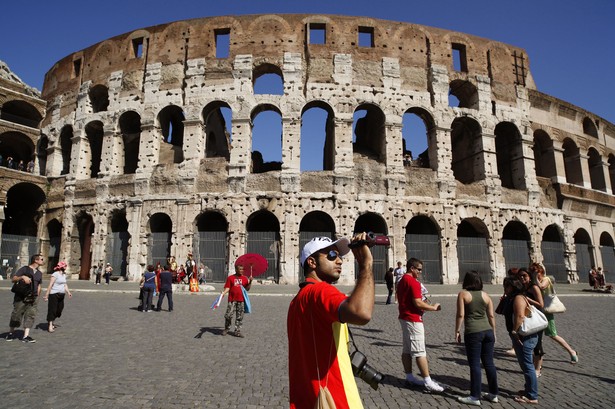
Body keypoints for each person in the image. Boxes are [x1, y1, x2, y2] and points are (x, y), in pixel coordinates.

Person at [287, 233, 374, 409]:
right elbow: (361, 312)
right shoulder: (320, 292)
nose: (340, 261)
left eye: (340, 256)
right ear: (311, 262)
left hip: (308, 398)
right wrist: (366, 266)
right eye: (332, 256)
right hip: (335, 398)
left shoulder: (297, 300)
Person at [398, 257, 444, 392]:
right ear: (411, 268)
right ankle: (428, 381)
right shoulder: (413, 282)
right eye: (418, 270)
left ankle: (409, 376)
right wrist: (433, 307)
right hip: (413, 319)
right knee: (420, 351)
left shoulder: (402, 280)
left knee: (406, 350)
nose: (420, 272)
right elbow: (417, 302)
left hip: (404, 317)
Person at [455, 271, 499, 405]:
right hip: (488, 331)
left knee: (474, 364)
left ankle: (475, 396)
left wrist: (457, 330)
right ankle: (493, 394)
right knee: (489, 363)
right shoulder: (486, 295)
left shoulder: (463, 294)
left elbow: (460, 314)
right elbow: (491, 316)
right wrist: (494, 332)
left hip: (473, 332)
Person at [532, 262, 578, 371]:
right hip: (538, 311)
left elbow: (541, 286)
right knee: (536, 337)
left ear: (541, 271)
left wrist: (534, 278)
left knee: (552, 334)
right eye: (533, 272)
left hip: (547, 311)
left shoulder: (546, 279)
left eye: (536, 272)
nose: (535, 274)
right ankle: (538, 362)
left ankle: (572, 351)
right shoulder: (536, 280)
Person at [502, 276, 540, 404]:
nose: (505, 288)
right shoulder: (513, 297)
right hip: (522, 335)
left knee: (528, 365)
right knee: (525, 365)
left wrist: (514, 331)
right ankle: (529, 389)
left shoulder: (518, 298)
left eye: (506, 286)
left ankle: (532, 396)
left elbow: (520, 316)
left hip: (524, 335)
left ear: (513, 287)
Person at [6, 254, 44, 343]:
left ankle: (26, 336)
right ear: (36, 260)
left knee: (31, 315)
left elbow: (39, 285)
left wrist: (38, 295)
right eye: (41, 259)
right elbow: (13, 279)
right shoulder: (24, 269)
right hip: (21, 296)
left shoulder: (39, 273)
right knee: (16, 314)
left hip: (33, 297)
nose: (43, 260)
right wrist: (22, 277)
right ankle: (11, 333)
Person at [519, 267, 545, 377]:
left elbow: (541, 304)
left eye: (524, 275)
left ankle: (538, 369)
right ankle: (533, 365)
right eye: (520, 276)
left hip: (536, 319)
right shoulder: (522, 288)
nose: (522, 277)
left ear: (529, 277)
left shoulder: (534, 287)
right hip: (527, 318)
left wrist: (527, 299)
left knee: (537, 344)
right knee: (529, 344)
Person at [220, 260, 253, 337]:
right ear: (236, 270)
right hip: (232, 300)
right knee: (228, 315)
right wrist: (223, 293)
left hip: (241, 300)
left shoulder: (245, 278)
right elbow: (227, 287)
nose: (241, 271)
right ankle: (227, 328)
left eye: (242, 269)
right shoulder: (230, 278)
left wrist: (250, 282)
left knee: (239, 316)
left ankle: (237, 331)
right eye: (240, 269)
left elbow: (247, 289)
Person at [43, 261, 72, 332]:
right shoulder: (55, 274)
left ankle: (52, 320)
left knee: (59, 310)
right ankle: (50, 325)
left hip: (62, 295)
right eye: (65, 266)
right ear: (61, 267)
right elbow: (50, 285)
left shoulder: (64, 275)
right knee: (52, 309)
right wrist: (46, 295)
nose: (66, 267)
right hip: (54, 294)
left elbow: (65, 284)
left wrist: (68, 292)